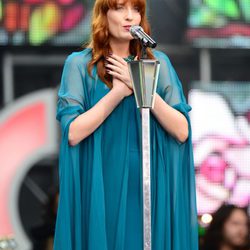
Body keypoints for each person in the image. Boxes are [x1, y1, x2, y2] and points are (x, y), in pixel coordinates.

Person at [53, 0, 198, 249]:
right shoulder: (79, 64)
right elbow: (74, 133)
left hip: (147, 184)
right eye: (120, 8)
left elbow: (182, 130)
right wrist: (119, 92)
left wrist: (142, 86)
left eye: (136, 10)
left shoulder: (158, 64)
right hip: (100, 183)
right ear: (103, 14)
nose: (129, 17)